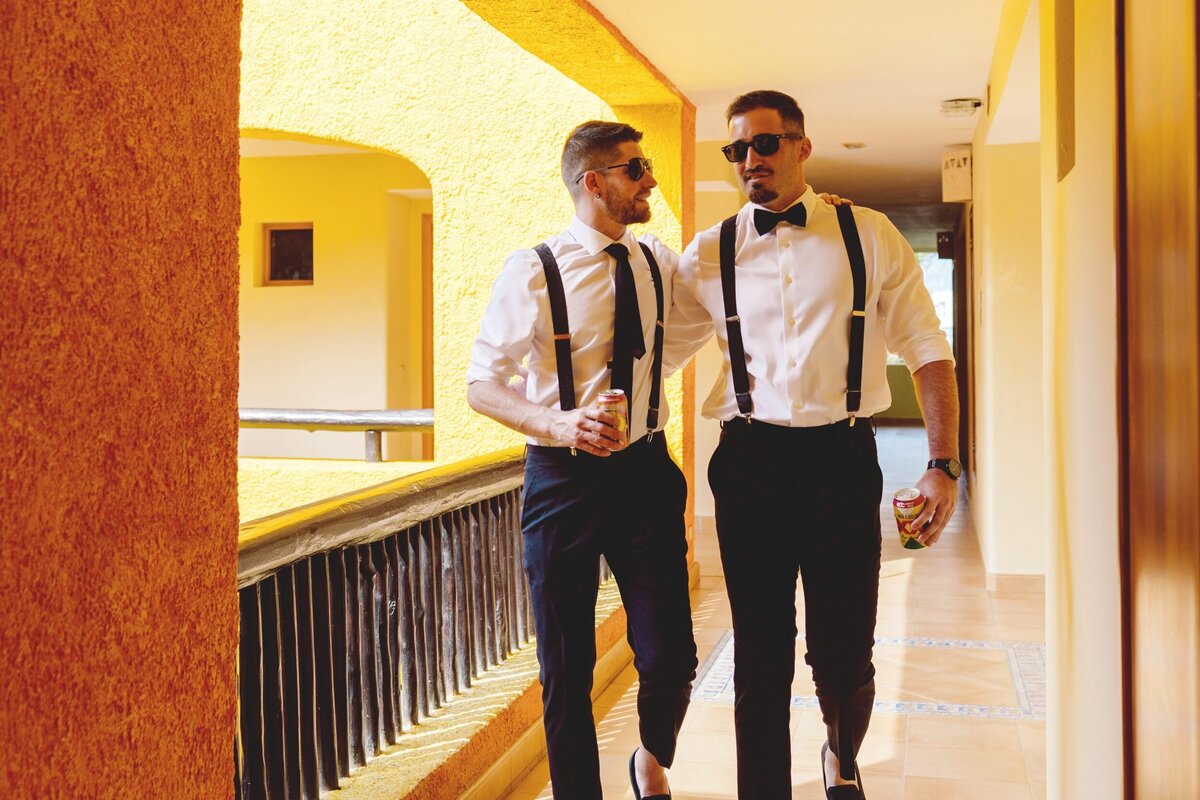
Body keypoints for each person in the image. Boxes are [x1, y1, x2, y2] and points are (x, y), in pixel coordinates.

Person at [668, 90, 961, 800]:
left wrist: (942, 464)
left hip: (842, 461)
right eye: (736, 149)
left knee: (843, 656)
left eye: (765, 144)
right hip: (748, 465)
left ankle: (840, 751)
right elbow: (658, 349)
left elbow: (926, 347)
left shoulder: (870, 234)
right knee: (760, 659)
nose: (750, 161)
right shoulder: (707, 254)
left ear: (802, 146)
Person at [466, 120, 706, 800]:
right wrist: (557, 421)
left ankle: (651, 758)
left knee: (671, 657)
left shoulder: (656, 259)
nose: (651, 178)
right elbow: (481, 382)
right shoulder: (535, 269)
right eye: (636, 169)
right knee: (565, 668)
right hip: (563, 482)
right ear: (593, 183)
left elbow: (729, 281)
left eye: (649, 165)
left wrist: (820, 217)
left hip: (647, 475)